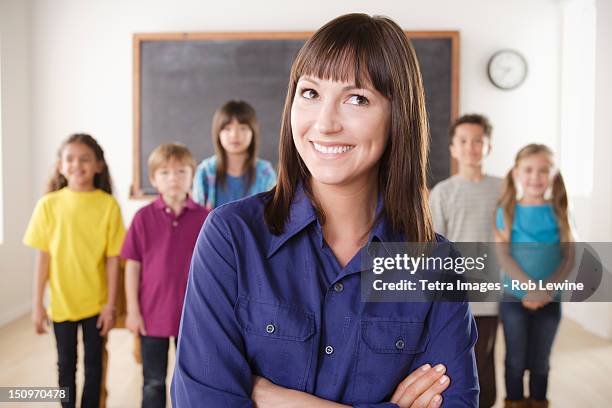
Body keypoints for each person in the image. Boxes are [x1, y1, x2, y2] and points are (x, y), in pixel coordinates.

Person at [172, 13, 478, 407]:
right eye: (311, 93)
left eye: (357, 99)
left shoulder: (437, 265)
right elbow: (203, 401)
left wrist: (270, 397)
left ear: (397, 117)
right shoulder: (231, 236)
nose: (325, 123)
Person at [24, 133, 125, 408]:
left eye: (85, 159)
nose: (77, 164)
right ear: (60, 165)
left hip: (96, 304)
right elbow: (42, 259)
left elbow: (113, 260)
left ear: (98, 166)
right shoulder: (48, 205)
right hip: (61, 305)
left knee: (95, 367)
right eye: (70, 158)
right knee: (65, 365)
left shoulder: (108, 206)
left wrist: (110, 305)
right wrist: (37, 305)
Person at [121, 143, 209, 408]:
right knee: (153, 382)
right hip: (152, 317)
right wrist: (133, 312)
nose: (173, 178)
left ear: (192, 175)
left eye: (181, 171)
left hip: (192, 318)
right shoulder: (142, 218)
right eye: (165, 172)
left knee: (190, 382)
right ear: (153, 179)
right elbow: (132, 267)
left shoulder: (207, 218)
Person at [429, 113, 503, 407]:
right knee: (456, 360)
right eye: (463, 141)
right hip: (455, 293)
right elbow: (435, 248)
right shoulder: (444, 192)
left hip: (492, 293)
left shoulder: (504, 188)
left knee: (484, 356)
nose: (471, 147)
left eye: (478, 141)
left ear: (489, 147)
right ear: (453, 148)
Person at [495, 144, 573, 408]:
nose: (535, 177)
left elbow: (569, 257)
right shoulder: (507, 211)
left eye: (543, 170)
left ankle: (539, 402)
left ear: (553, 174)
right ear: (517, 172)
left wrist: (546, 290)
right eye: (528, 170)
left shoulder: (560, 212)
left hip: (550, 301)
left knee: (540, 362)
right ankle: (513, 402)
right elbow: (504, 256)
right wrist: (530, 289)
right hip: (514, 300)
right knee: (515, 361)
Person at [192, 100, 277, 209]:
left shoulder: (265, 172)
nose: (234, 135)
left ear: (253, 132)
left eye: (243, 128)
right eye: (227, 129)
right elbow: (197, 217)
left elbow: (272, 214)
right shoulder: (205, 171)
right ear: (218, 133)